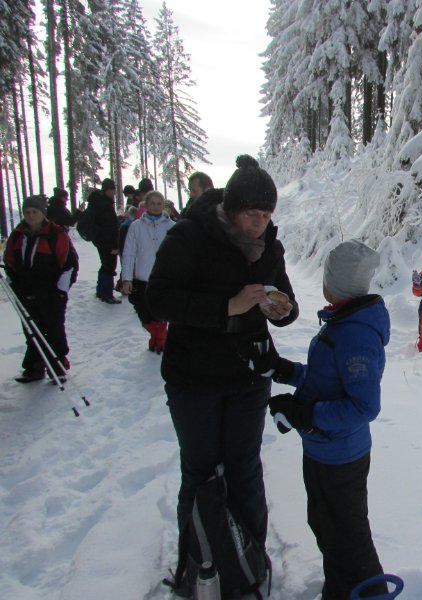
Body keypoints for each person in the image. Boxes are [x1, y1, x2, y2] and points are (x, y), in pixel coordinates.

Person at [146, 154, 298, 594]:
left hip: (248, 376)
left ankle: (249, 565)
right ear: (231, 208)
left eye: (267, 214)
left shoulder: (269, 244)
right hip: (193, 378)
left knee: (245, 470)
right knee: (200, 472)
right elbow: (158, 300)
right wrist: (225, 307)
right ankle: (197, 568)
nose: (260, 222)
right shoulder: (190, 236)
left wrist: (283, 310)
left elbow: (284, 297)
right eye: (252, 213)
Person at [268, 239, 390, 600]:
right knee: (326, 528)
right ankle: (339, 591)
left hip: (341, 457)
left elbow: (363, 406)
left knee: (349, 540)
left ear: (334, 284)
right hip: (323, 449)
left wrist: (304, 413)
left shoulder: (354, 334)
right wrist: (288, 371)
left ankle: (371, 595)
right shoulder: (342, 322)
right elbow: (327, 379)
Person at [2, 194, 78, 383]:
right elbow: (9, 261)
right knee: (31, 330)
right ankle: (34, 366)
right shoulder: (18, 235)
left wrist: (61, 290)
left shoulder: (56, 234)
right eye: (27, 212)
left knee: (54, 330)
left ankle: (58, 367)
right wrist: (13, 283)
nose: (30, 216)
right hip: (25, 291)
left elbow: (69, 264)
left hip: (52, 292)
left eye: (34, 212)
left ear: (43, 213)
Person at [119, 191, 175, 353]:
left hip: (164, 278)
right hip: (142, 278)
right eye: (152, 203)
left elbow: (178, 254)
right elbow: (129, 253)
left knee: (161, 313)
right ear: (146, 205)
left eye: (159, 203)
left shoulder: (171, 226)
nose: (156, 207)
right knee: (145, 314)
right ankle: (156, 335)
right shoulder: (136, 226)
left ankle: (160, 340)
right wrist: (127, 278)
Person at [83, 178, 122, 303]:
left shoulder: (98, 202)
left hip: (101, 241)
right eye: (113, 189)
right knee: (109, 267)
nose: (114, 192)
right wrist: (113, 245)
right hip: (106, 242)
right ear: (107, 190)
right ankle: (107, 294)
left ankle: (101, 291)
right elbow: (108, 227)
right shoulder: (104, 205)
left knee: (105, 265)